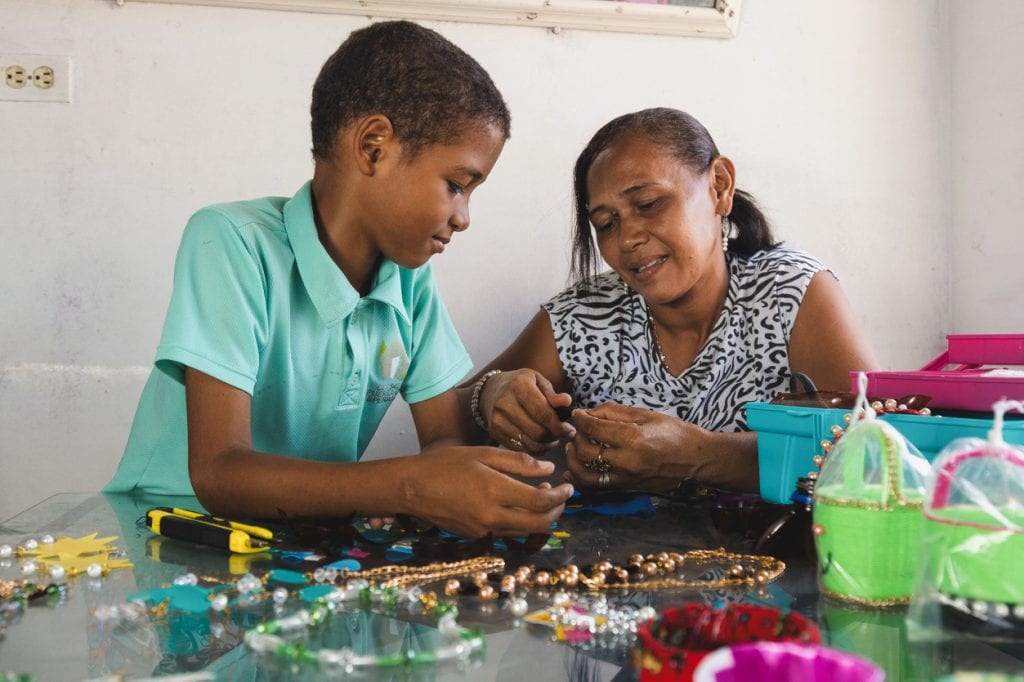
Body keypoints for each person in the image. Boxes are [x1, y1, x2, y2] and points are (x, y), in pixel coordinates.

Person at [104, 20, 573, 538]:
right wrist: (407, 486)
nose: (463, 217)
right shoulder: (231, 242)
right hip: (175, 530)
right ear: (373, 147)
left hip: (301, 538)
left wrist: (469, 461)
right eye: (457, 185)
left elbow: (442, 438)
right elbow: (219, 471)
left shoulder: (407, 278)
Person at [464, 108, 878, 494]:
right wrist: (491, 394)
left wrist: (706, 457)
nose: (627, 239)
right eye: (606, 224)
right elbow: (446, 417)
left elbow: (874, 451)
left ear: (720, 186)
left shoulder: (791, 291)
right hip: (618, 562)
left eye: (648, 204)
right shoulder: (584, 317)